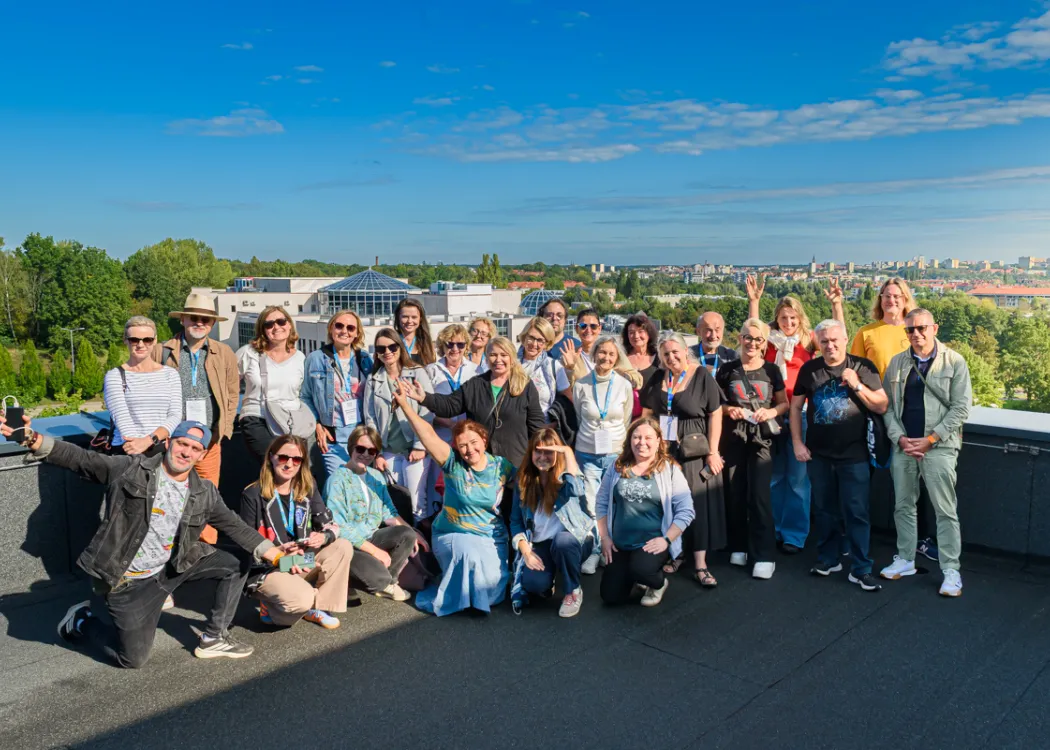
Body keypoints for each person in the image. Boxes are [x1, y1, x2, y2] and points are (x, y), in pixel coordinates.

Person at [1, 415, 284, 667]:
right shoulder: (131, 469)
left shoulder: (204, 491)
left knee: (237, 561)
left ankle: (214, 637)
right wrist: (32, 438)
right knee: (132, 659)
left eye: (195, 448)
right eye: (182, 443)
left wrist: (280, 556)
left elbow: (235, 526)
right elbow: (82, 459)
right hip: (128, 581)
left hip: (171, 567)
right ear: (169, 442)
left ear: (201, 455)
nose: (186, 452)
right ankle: (82, 621)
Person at [391, 385, 515, 616]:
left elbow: (530, 481)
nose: (469, 449)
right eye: (463, 445)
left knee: (492, 589)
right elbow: (428, 435)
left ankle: (463, 588)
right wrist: (406, 406)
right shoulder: (452, 464)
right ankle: (463, 596)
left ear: (484, 440)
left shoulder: (502, 466)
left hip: (490, 535)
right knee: (469, 556)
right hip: (454, 533)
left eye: (473, 442)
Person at [745, 275, 844, 554]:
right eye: (783, 318)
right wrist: (754, 302)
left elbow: (838, 337)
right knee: (775, 477)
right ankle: (774, 529)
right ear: (776, 319)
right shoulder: (769, 341)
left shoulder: (809, 341)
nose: (788, 323)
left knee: (799, 480)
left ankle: (794, 535)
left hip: (801, 415)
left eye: (792, 318)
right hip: (772, 414)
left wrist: (837, 305)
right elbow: (753, 330)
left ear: (800, 319)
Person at [879, 309, 972, 597]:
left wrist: (931, 439)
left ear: (935, 328)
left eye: (922, 328)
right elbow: (887, 407)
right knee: (903, 505)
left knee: (945, 509)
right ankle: (906, 558)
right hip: (904, 446)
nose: (916, 334)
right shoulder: (897, 363)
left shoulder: (954, 361)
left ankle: (951, 570)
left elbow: (961, 408)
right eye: (910, 330)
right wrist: (900, 438)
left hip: (939, 446)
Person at [790, 319, 888, 592]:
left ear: (845, 340)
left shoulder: (863, 367)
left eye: (834, 340)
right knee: (824, 510)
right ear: (818, 343)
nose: (830, 345)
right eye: (824, 341)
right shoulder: (810, 369)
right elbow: (795, 407)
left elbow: (882, 405)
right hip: (819, 454)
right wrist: (797, 442)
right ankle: (828, 559)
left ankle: (861, 568)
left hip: (854, 454)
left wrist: (857, 385)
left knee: (857, 512)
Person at [850, 277, 939, 561]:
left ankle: (921, 539)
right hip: (873, 413)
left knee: (915, 480)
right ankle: (855, 537)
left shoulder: (915, 330)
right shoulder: (867, 332)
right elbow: (852, 372)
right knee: (862, 478)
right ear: (880, 300)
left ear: (905, 299)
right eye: (886, 296)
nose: (891, 300)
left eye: (897, 296)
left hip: (910, 414)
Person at [240, 435, 354, 629]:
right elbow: (246, 542)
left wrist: (323, 536)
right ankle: (273, 606)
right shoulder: (252, 494)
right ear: (271, 457)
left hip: (301, 560)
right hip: (270, 566)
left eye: (296, 459)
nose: (289, 464)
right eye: (283, 457)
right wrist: (277, 552)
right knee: (301, 599)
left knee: (342, 546)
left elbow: (330, 524)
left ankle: (319, 608)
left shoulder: (307, 487)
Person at [640, 331, 725, 588]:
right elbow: (647, 413)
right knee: (668, 503)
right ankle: (677, 553)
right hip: (665, 450)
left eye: (675, 352)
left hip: (693, 449)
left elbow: (716, 413)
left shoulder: (701, 376)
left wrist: (713, 451)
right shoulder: (658, 377)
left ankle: (700, 564)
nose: (671, 357)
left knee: (695, 504)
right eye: (665, 354)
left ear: (685, 351)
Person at [716, 319, 788, 579]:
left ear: (765, 343)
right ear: (740, 338)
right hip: (734, 437)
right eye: (748, 337)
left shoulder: (772, 370)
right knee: (735, 493)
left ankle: (764, 554)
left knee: (759, 496)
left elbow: (784, 404)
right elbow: (716, 404)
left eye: (758, 339)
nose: (752, 343)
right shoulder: (727, 370)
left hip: (761, 440)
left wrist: (770, 412)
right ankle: (739, 545)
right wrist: (729, 410)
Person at [596, 417, 695, 607]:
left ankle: (658, 584)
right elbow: (601, 503)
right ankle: (635, 576)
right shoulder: (617, 467)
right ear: (629, 440)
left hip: (652, 544)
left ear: (658, 441)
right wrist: (605, 537)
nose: (642, 442)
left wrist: (666, 539)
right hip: (620, 544)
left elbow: (686, 510)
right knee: (610, 596)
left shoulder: (669, 470)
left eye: (648, 437)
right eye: (636, 437)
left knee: (642, 569)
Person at [404, 336, 545, 468]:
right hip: (482, 464)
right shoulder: (475, 385)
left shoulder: (525, 386)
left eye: (504, 355)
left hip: (516, 464)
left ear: (512, 358)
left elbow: (536, 426)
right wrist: (424, 398)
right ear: (487, 358)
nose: (498, 359)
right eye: (493, 355)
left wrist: (539, 456)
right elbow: (449, 405)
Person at [325, 425, 428, 601]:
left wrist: (415, 533)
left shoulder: (376, 476)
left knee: (407, 534)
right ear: (351, 447)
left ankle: (388, 582)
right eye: (360, 449)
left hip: (372, 536)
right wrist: (375, 552)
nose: (365, 454)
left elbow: (389, 512)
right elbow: (339, 526)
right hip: (349, 546)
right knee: (373, 573)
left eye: (372, 451)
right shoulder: (336, 480)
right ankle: (369, 580)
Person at [153, 293, 239, 486]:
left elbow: (233, 394)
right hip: (172, 441)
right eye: (194, 318)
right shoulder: (161, 351)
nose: (199, 323)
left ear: (212, 324)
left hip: (207, 442)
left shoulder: (224, 353)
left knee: (206, 494)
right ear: (183, 319)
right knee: (168, 493)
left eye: (205, 319)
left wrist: (224, 430)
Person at [574, 335, 642, 575]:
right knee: (591, 504)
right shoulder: (581, 384)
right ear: (594, 354)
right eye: (602, 352)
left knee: (614, 503)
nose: (606, 357)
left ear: (617, 357)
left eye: (611, 354)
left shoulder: (623, 385)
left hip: (615, 453)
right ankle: (594, 551)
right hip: (587, 452)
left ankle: (609, 550)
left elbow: (626, 419)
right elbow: (580, 417)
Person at [509, 429, 593, 617]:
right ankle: (551, 576)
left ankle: (573, 591)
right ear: (531, 453)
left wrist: (568, 452)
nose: (542, 457)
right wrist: (526, 552)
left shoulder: (567, 476)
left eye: (548, 452)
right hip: (542, 543)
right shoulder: (524, 481)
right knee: (534, 584)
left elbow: (577, 489)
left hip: (573, 540)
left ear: (558, 453)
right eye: (538, 451)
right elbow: (515, 521)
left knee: (563, 542)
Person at [363, 327, 435, 522]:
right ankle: (404, 538)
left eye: (392, 347)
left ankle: (420, 538)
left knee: (417, 503)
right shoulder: (373, 379)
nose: (387, 352)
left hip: (414, 448)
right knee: (395, 503)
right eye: (381, 349)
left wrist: (420, 446)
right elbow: (370, 419)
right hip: (389, 450)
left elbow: (427, 411)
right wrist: (377, 453)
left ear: (400, 347)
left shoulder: (417, 373)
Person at [302, 309, 373, 480]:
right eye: (339, 326)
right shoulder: (316, 358)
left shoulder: (364, 359)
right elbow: (305, 396)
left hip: (361, 437)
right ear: (331, 328)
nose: (344, 331)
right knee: (339, 483)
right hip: (332, 437)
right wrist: (317, 424)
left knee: (360, 485)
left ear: (357, 333)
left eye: (350, 328)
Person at [237, 305, 307, 463]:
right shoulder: (248, 353)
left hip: (289, 421)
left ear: (289, 325)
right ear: (262, 330)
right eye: (269, 324)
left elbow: (305, 393)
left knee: (293, 465)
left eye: (281, 321)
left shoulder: (300, 358)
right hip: (257, 417)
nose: (276, 327)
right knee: (274, 461)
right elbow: (228, 385)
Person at [104, 316, 182, 457]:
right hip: (127, 450)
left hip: (161, 450)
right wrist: (139, 446)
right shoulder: (115, 376)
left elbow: (175, 415)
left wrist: (149, 440)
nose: (141, 345)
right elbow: (122, 418)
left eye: (147, 340)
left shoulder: (170, 374)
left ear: (155, 341)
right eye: (134, 340)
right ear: (125, 340)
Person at [517, 316, 572, 417]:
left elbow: (568, 401)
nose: (534, 344)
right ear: (524, 337)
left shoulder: (554, 366)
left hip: (544, 424)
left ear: (547, 343)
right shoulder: (511, 364)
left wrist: (553, 423)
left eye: (540, 340)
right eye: (531, 338)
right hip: (517, 424)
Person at [559, 308, 603, 385]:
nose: (588, 330)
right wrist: (569, 370)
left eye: (593, 326)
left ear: (599, 329)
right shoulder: (568, 357)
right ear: (577, 329)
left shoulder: (610, 354)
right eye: (583, 326)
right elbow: (562, 387)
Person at [623, 312, 660, 390]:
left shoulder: (659, 358)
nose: (636, 336)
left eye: (640, 331)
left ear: (649, 333)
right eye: (631, 332)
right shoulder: (621, 358)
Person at [395, 298, 437, 366]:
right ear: (398, 318)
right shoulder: (391, 341)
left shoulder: (427, 344)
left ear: (420, 319)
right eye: (405, 317)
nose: (409, 321)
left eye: (414, 317)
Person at [540, 297, 581, 362]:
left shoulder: (576, 346)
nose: (554, 318)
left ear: (565, 320)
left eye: (559, 315)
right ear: (542, 318)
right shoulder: (533, 345)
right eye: (549, 315)